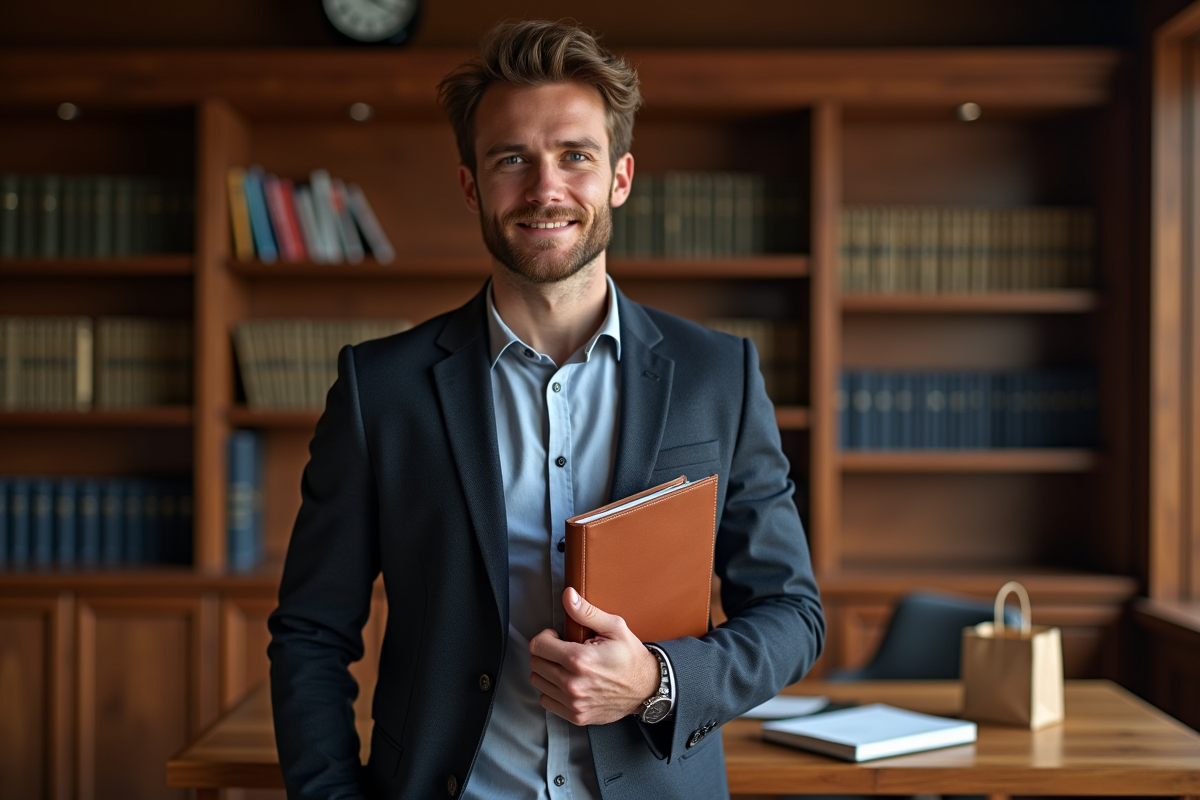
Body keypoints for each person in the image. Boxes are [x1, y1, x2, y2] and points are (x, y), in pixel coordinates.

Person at [267, 19, 824, 800]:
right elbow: (311, 635)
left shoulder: (718, 376)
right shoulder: (378, 389)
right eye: (511, 160)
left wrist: (658, 680)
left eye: (575, 156)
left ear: (620, 177)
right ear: (471, 185)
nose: (545, 189)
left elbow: (792, 614)